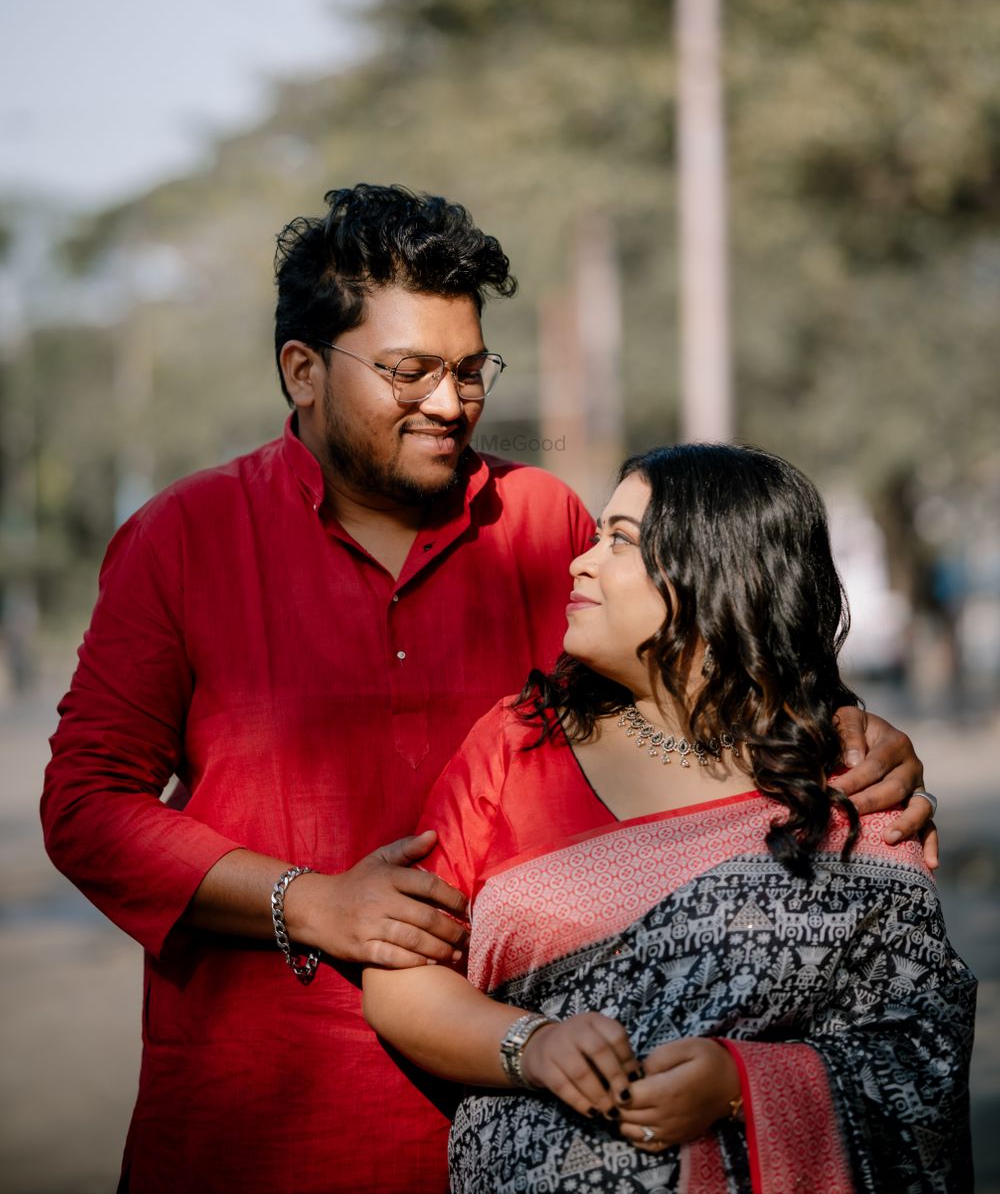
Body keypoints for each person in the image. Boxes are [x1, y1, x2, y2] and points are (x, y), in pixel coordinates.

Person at [41, 186, 933, 1194]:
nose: (449, 402)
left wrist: (840, 730)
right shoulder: (185, 539)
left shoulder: (540, 522)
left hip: (522, 1123)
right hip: (255, 1121)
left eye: (470, 371)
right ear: (301, 371)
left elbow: (690, 689)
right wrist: (307, 903)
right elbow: (87, 805)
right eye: (408, 371)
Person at [364, 444, 974, 1194]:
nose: (579, 564)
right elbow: (401, 975)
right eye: (594, 535)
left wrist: (738, 1085)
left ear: (720, 571)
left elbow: (918, 1051)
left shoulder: (851, 780)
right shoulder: (519, 743)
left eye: (620, 540)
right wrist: (532, 1043)